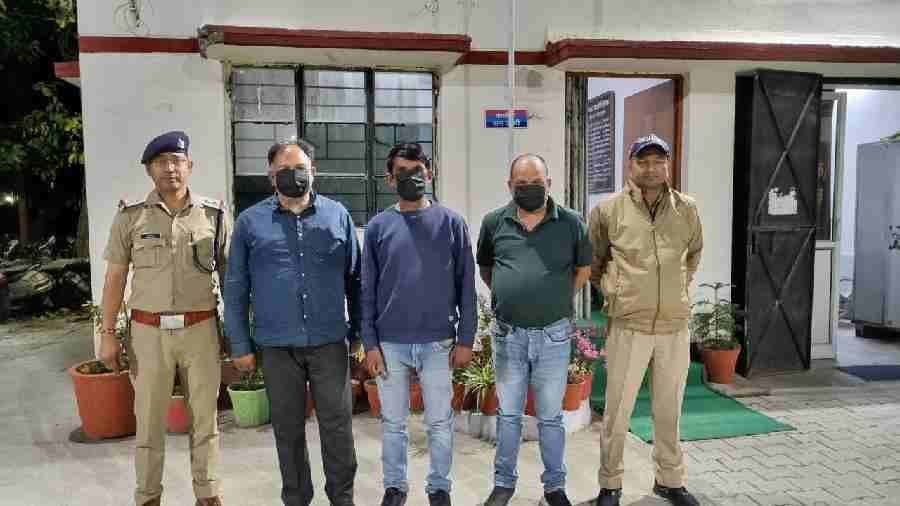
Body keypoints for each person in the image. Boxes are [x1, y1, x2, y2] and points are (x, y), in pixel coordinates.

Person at [224, 138, 360, 506]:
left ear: (313, 171)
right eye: (282, 170)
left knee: (337, 427)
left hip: (329, 342)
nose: (292, 176)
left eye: (299, 169)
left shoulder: (337, 216)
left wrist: (361, 334)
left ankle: (342, 498)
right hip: (277, 346)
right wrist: (240, 344)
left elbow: (356, 280)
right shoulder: (250, 223)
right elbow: (235, 287)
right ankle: (297, 498)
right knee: (288, 430)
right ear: (271, 177)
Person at [99, 130, 231, 506]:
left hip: (200, 330)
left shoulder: (214, 215)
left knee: (205, 421)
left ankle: (208, 493)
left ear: (190, 166)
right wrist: (108, 333)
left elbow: (231, 278)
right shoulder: (130, 217)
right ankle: (148, 496)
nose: (170, 168)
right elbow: (114, 278)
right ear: (149, 170)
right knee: (148, 423)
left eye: (176, 161)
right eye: (160, 162)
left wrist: (239, 332)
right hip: (148, 333)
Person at [590, 134, 703, 506]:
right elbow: (595, 262)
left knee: (669, 411)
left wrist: (677, 289)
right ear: (631, 164)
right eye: (643, 161)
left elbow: (694, 255)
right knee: (617, 412)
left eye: (658, 161)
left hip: (674, 326)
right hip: (628, 325)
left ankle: (670, 481)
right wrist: (616, 290)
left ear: (668, 165)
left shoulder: (687, 208)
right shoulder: (608, 210)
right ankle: (610, 484)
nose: (651, 168)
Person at [361, 142, 476, 506]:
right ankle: (395, 487)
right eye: (403, 172)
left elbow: (466, 285)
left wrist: (466, 338)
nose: (411, 177)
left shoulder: (452, 224)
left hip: (437, 342)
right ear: (389, 179)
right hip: (390, 344)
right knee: (393, 423)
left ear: (430, 173)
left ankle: (439, 487)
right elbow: (367, 290)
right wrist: (370, 343)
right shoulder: (378, 227)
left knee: (439, 422)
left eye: (418, 171)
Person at [476, 153, 592, 506]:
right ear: (510, 186)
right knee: (509, 415)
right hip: (508, 336)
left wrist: (556, 298)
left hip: (553, 337)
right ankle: (503, 485)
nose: (529, 189)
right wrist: (513, 294)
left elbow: (583, 270)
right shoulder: (493, 222)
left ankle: (555, 487)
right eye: (522, 184)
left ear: (549, 184)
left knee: (551, 418)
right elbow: (487, 268)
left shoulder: (571, 222)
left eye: (537, 183)